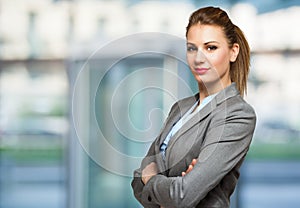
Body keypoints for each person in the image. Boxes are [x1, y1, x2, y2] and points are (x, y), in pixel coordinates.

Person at [131, 6, 256, 208]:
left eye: (211, 48)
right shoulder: (180, 108)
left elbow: (183, 194)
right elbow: (137, 179)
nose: (199, 58)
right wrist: (170, 189)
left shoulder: (237, 114)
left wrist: (152, 179)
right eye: (192, 48)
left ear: (233, 52)